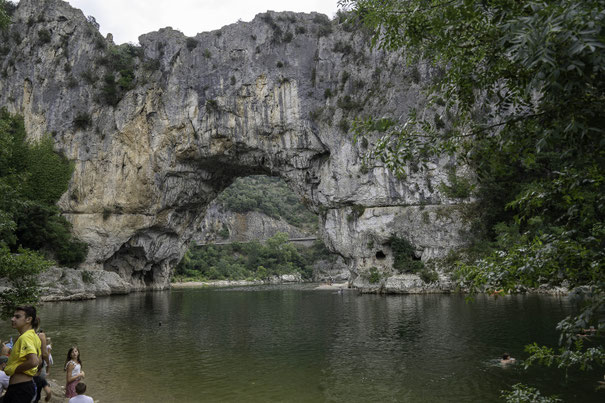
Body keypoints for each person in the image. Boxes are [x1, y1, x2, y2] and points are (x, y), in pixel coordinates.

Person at [3, 306, 42, 403]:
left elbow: (34, 361)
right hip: (25, 386)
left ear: (28, 319)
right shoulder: (34, 336)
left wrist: (14, 369)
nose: (12, 319)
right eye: (13, 316)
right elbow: (40, 360)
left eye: (17, 317)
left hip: (20, 389)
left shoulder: (25, 337)